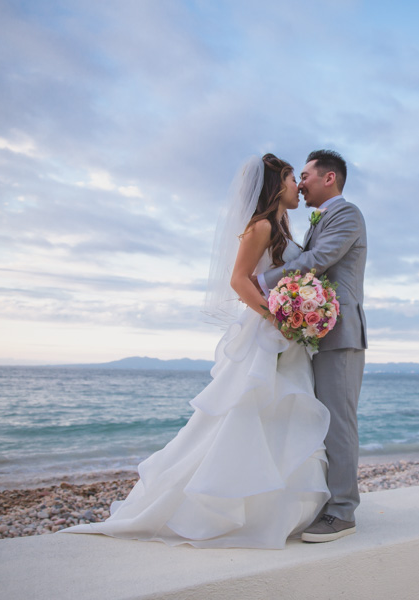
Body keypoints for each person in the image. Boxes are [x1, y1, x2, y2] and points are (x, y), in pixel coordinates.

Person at [61, 154, 332, 549]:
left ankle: (275, 509)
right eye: (293, 178)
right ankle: (211, 504)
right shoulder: (259, 226)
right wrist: (277, 318)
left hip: (285, 339)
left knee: (280, 418)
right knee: (245, 416)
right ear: (277, 185)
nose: (298, 186)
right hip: (267, 335)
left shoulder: (281, 231)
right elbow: (238, 281)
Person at [258, 149, 367, 543]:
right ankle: (324, 502)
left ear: (329, 179)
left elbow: (319, 259)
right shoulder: (319, 221)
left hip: (341, 336)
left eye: (304, 176)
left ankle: (342, 513)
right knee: (317, 421)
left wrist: (261, 282)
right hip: (318, 334)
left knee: (338, 421)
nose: (299, 184)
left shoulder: (347, 214)